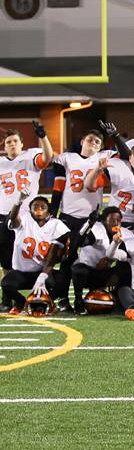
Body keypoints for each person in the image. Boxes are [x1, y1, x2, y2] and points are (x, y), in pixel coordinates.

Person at [0, 193, 70, 314]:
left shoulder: (56, 224)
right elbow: (13, 218)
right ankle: (21, 302)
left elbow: (53, 256)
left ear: (48, 211)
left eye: (43, 207)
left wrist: (43, 276)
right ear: (30, 210)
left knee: (63, 279)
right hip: (21, 273)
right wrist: (18, 201)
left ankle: (48, 301)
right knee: (6, 284)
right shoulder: (24, 219)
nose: (39, 210)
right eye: (35, 207)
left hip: (42, 272)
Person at [0, 124, 54, 271]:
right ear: (4, 147)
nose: (12, 144)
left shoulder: (30, 156)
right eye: (8, 142)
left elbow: (47, 157)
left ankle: (38, 286)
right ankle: (8, 290)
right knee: (5, 255)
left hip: (28, 216)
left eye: (15, 141)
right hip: (4, 215)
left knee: (32, 253)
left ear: (22, 144)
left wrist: (43, 137)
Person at [70, 207, 128, 313]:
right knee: (79, 269)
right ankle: (78, 300)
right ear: (104, 221)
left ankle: (118, 299)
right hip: (87, 272)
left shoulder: (124, 233)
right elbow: (79, 242)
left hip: (104, 273)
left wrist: (116, 272)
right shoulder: (96, 229)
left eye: (118, 220)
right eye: (112, 220)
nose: (115, 223)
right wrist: (89, 223)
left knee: (126, 268)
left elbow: (127, 255)